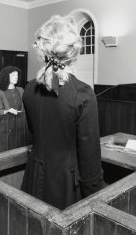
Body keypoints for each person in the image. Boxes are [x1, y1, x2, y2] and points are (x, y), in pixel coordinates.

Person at [21, 15, 104, 209]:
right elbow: (90, 161)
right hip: (65, 186)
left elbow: (35, 131)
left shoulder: (29, 89)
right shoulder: (83, 94)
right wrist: (97, 199)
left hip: (33, 179)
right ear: (74, 52)